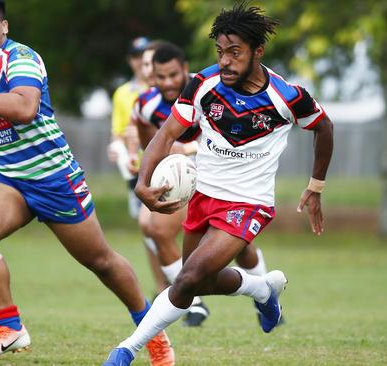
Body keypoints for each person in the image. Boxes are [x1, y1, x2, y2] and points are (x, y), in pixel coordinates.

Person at [0, 1, 174, 364]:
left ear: (4, 27)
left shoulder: (22, 59)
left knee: (101, 261)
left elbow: (25, 108)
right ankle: (10, 327)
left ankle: (152, 331)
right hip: (7, 176)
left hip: (54, 177)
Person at [103, 3, 333, 365]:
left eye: (235, 52)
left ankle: (126, 350)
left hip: (249, 203)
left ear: (258, 51)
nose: (225, 61)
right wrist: (142, 182)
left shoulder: (286, 97)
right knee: (196, 281)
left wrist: (316, 186)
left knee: (187, 278)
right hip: (203, 196)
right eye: (220, 52)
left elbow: (323, 127)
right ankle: (261, 289)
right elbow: (165, 134)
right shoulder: (203, 85)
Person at [131, 42, 270, 327]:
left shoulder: (207, 88)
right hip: (184, 178)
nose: (168, 83)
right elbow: (149, 135)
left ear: (184, 69)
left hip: (219, 174)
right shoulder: (145, 104)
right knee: (153, 226)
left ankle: (263, 294)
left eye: (173, 75)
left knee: (241, 247)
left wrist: (189, 151)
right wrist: (153, 163)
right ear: (151, 77)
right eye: (161, 77)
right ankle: (193, 301)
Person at [108, 37, 170, 295]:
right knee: (149, 231)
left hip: (170, 166)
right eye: (136, 57)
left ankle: (183, 283)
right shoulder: (123, 93)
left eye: (145, 56)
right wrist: (119, 149)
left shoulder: (170, 87)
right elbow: (118, 134)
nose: (140, 63)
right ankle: (161, 287)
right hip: (138, 170)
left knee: (162, 228)